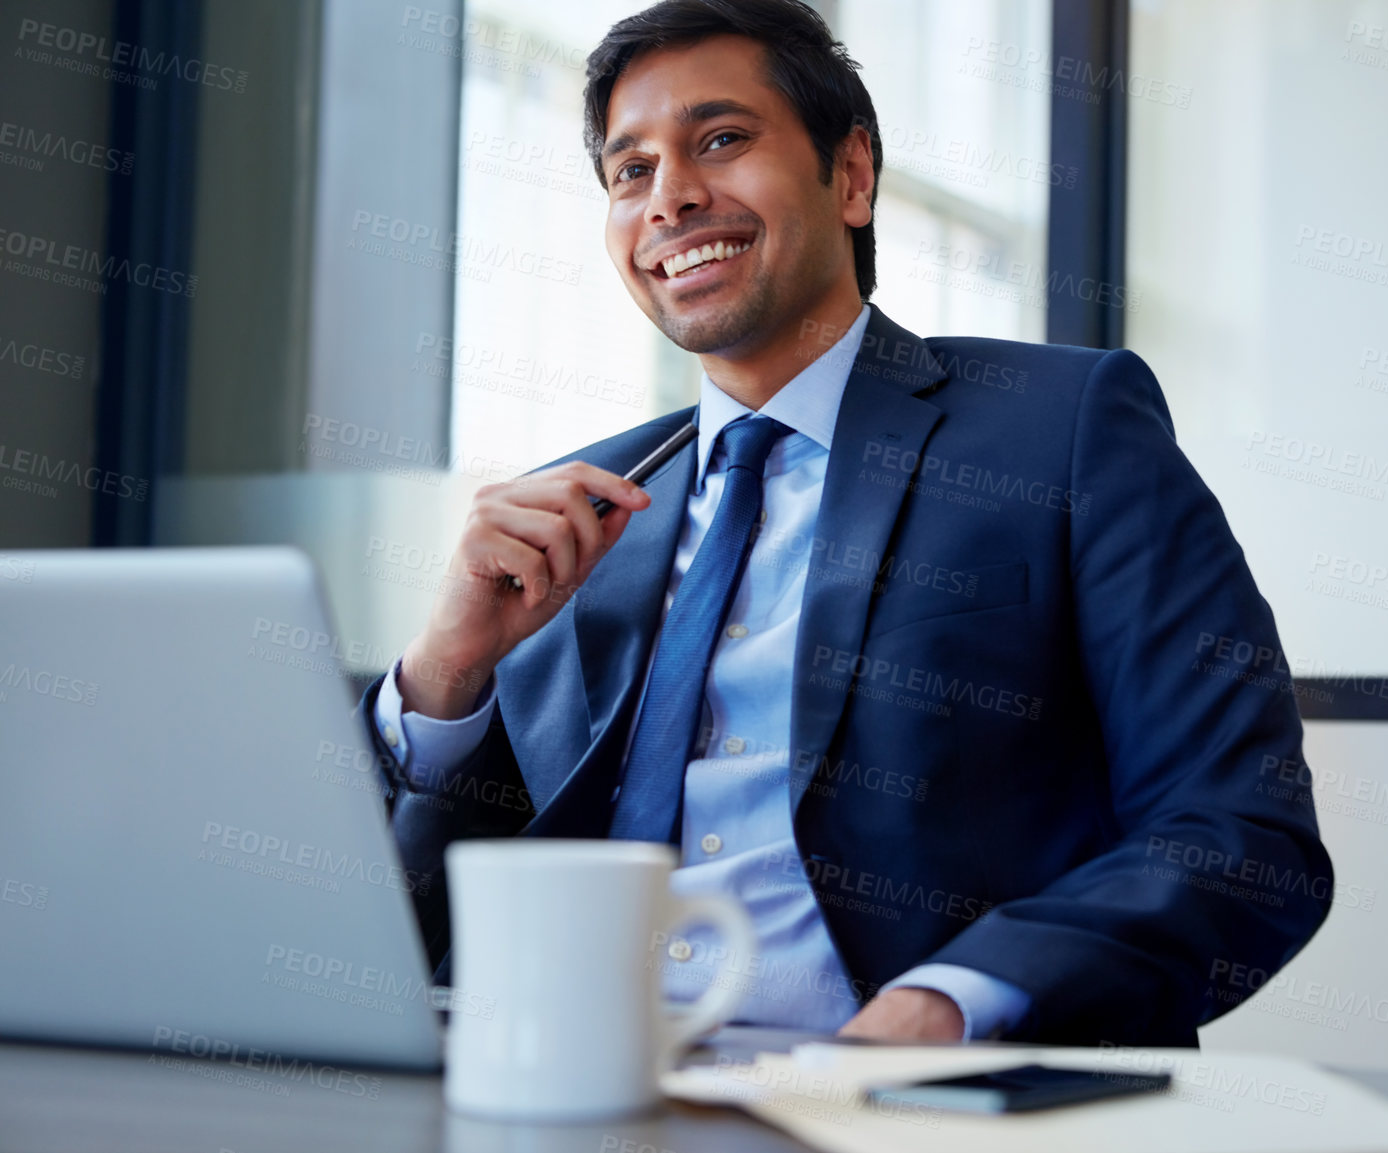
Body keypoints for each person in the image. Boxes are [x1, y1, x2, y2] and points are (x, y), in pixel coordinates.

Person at [362, 0, 1331, 1046]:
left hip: (912, 1105)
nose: (671, 196)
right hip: (573, 1087)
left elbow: (1240, 829)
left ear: (853, 175)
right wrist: (445, 677)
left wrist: (956, 1000)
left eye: (721, 140)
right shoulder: (571, 518)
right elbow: (396, 925)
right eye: (628, 170)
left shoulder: (1062, 429)